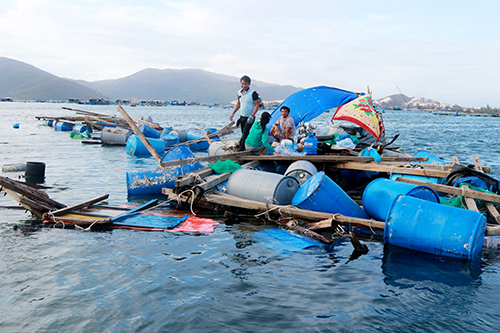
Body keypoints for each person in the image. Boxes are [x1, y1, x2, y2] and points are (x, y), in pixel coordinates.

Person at [229, 75, 260, 150]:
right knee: (243, 132)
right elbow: (239, 103)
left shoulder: (253, 93)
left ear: (249, 84)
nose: (244, 85)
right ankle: (248, 145)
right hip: (242, 116)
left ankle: (242, 148)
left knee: (245, 132)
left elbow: (257, 105)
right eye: (242, 83)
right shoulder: (239, 93)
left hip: (250, 116)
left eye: (245, 84)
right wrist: (233, 113)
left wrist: (252, 115)